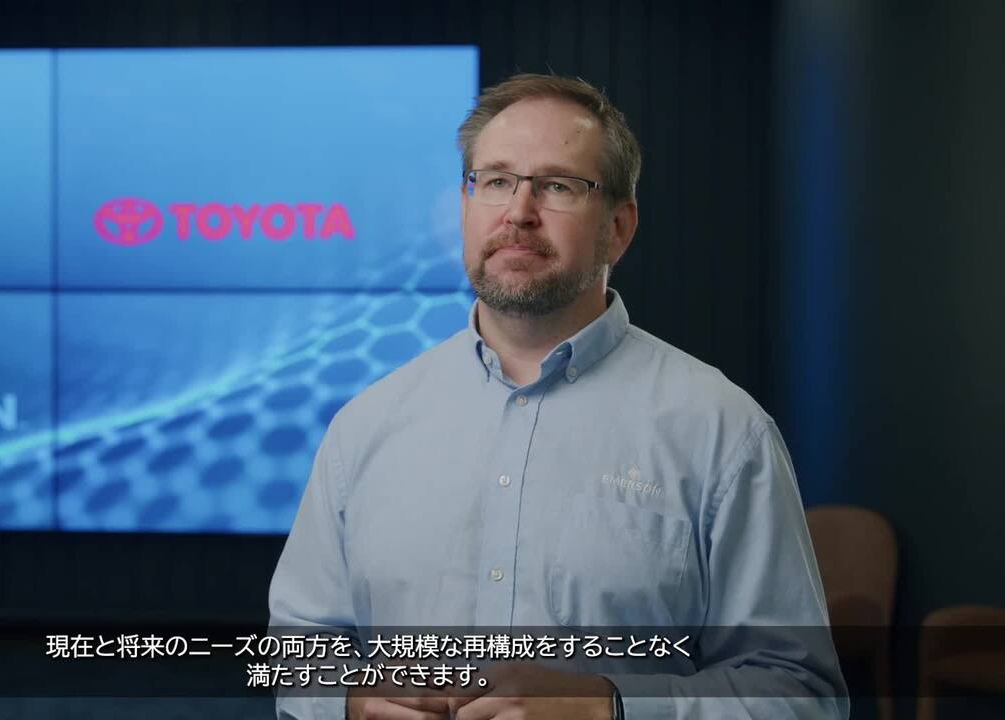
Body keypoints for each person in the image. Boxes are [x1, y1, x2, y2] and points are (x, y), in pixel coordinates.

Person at [269, 73, 848, 720]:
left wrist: (611, 707)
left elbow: (801, 693)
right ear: (465, 205)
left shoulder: (722, 431)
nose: (518, 212)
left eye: (558, 186)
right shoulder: (366, 424)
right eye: (495, 181)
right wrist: (348, 697)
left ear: (618, 228)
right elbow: (298, 649)